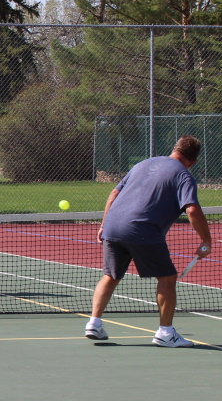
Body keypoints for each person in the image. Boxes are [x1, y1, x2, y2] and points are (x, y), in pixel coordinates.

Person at [85, 135, 212, 347]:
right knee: (167, 277)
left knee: (110, 275)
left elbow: (114, 193)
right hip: (142, 230)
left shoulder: (143, 163)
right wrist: (206, 239)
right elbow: (191, 209)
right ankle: (165, 333)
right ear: (193, 161)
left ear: (175, 148)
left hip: (113, 226)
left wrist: (103, 225)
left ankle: (94, 323)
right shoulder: (184, 175)